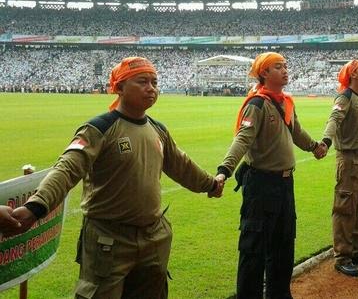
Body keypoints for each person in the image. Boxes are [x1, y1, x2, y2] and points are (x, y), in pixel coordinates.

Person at [9, 56, 223, 299]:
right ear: (119, 87)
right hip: (108, 240)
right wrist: (36, 207)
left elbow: (182, 166)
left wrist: (211, 184)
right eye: (142, 81)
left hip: (153, 238)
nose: (151, 88)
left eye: (154, 82)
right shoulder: (99, 129)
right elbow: (67, 168)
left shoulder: (158, 130)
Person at [216, 52, 326, 298]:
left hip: (285, 185)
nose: (285, 70)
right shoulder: (256, 104)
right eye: (279, 67)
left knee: (283, 247)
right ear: (264, 73)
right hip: (261, 186)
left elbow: (296, 132)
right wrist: (224, 170)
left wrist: (314, 146)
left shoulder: (286, 102)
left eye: (286, 65)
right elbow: (242, 140)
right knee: (253, 250)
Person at [322, 60, 358, 277]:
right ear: (353, 74)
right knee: (345, 207)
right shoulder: (344, 97)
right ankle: (342, 256)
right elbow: (334, 119)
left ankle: (355, 250)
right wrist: (326, 141)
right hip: (348, 159)